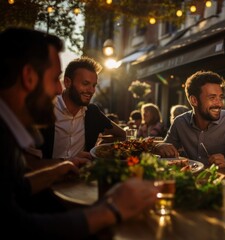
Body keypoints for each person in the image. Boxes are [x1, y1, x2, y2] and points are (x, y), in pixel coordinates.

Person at [0, 27, 157, 239]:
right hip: (47, 200)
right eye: (54, 78)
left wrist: (64, 166)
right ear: (29, 77)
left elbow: (16, 187)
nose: (57, 91)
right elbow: (17, 226)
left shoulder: (10, 128)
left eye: (94, 85)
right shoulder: (20, 128)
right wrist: (111, 210)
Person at [154, 70, 225, 170]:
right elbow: (165, 154)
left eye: (220, 97)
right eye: (212, 97)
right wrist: (160, 147)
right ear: (194, 101)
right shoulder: (180, 122)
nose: (220, 104)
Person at [39, 56, 126, 159]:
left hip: (83, 174)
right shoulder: (45, 110)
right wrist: (67, 164)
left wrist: (98, 148)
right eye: (85, 83)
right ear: (67, 82)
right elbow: (29, 165)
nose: (92, 90)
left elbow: (122, 135)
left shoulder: (92, 112)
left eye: (94, 85)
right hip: (49, 174)